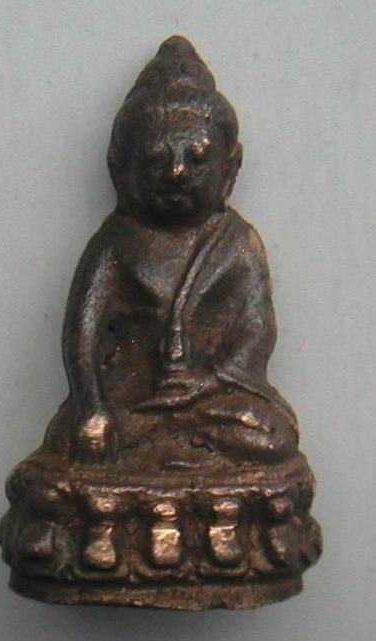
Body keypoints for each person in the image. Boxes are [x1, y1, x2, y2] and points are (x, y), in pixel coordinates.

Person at [45, 36, 299, 472]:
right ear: (120, 168)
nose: (177, 172)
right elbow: (82, 332)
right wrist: (91, 404)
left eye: (197, 159)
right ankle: (165, 449)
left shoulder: (237, 243)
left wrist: (206, 382)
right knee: (73, 438)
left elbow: (256, 333)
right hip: (133, 398)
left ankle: (181, 445)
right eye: (155, 159)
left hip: (209, 397)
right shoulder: (116, 243)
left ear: (230, 168)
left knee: (274, 436)